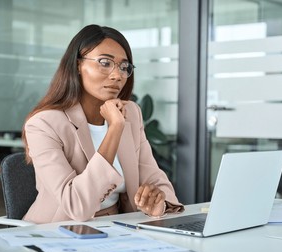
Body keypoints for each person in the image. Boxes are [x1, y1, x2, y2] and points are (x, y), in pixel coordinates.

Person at [21, 24, 184, 224]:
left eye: (124, 67)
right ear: (77, 65)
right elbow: (76, 205)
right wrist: (114, 129)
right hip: (59, 231)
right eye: (105, 62)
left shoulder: (131, 113)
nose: (117, 75)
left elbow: (154, 178)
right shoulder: (43, 124)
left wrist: (158, 203)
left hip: (118, 227)